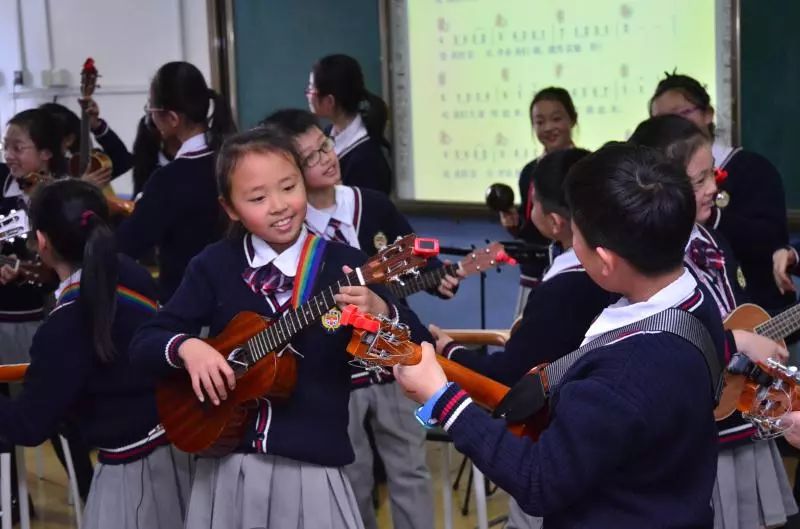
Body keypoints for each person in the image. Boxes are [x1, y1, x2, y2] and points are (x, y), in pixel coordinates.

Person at [395, 144, 726, 527]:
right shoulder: (698, 302)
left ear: (604, 262)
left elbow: (538, 480)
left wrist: (442, 399)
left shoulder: (624, 373)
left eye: (578, 235)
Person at [129, 125, 430, 529]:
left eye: (289, 188)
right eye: (257, 197)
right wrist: (187, 348)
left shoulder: (344, 265)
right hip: (226, 470)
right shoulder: (215, 265)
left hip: (312, 469)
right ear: (231, 208)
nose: (278, 205)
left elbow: (413, 351)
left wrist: (380, 313)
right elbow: (145, 342)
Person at [263, 108, 450, 529]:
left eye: (326, 145)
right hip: (336, 371)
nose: (326, 158)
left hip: (390, 357)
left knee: (410, 466)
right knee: (352, 474)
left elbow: (420, 258)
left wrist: (438, 278)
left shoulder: (371, 204)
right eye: (310, 158)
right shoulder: (292, 231)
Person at [630, 113, 797, 528]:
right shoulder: (651, 260)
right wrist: (737, 342)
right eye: (699, 180)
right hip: (693, 439)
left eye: (713, 175)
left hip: (740, 422)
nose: (713, 189)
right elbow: (658, 341)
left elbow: (739, 315)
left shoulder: (714, 240)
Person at [0, 179, 191, 528]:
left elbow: (28, 425)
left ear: (42, 241)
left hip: (130, 473)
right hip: (182, 447)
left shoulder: (64, 324)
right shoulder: (131, 272)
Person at [649, 72, 792, 313]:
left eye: (682, 113)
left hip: (763, 312)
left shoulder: (751, 168)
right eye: (661, 120)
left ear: (708, 114)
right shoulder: (652, 186)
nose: (675, 125)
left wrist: (714, 217)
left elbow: (772, 241)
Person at [115, 61, 236, 302]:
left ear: (172, 118)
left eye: (151, 108)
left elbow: (126, 245)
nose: (149, 115)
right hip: (240, 296)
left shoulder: (170, 179)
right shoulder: (235, 159)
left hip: (190, 304)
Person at [499, 87, 578, 316]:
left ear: (572, 119)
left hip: (579, 270)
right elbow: (530, 232)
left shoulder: (586, 165)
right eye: (539, 122)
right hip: (535, 272)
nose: (548, 128)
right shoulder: (529, 172)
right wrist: (514, 226)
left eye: (556, 119)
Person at [306, 54, 392, 194]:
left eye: (311, 89)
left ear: (329, 101)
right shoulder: (328, 134)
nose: (308, 95)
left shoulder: (367, 161)